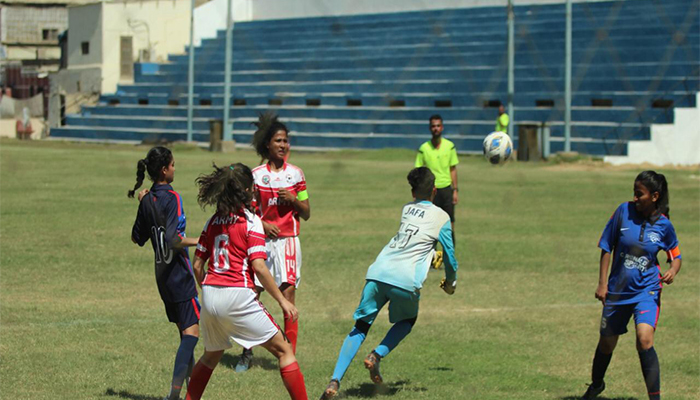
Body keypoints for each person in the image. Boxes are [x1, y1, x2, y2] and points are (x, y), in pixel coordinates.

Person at [319, 167, 458, 399]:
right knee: (407, 320)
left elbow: (412, 238)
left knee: (361, 326)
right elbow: (451, 258)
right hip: (404, 279)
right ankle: (376, 355)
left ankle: (334, 381)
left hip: (378, 271)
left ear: (413, 192)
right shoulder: (442, 217)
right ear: (434, 190)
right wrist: (450, 283)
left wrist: (430, 255)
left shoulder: (407, 209)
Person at [186, 163, 308, 400]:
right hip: (237, 295)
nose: (254, 191)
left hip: (210, 295)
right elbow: (259, 267)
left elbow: (197, 266)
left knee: (211, 356)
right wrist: (283, 301)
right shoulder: (251, 221)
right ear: (245, 190)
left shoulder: (212, 221)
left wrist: (210, 289)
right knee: (284, 350)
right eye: (251, 187)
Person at [582, 171, 682, 400]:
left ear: (655, 196)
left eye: (640, 194)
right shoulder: (622, 212)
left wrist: (672, 270)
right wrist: (602, 284)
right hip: (617, 291)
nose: (634, 198)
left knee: (644, 339)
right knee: (606, 344)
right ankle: (597, 385)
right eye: (634, 193)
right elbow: (607, 246)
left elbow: (676, 255)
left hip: (647, 290)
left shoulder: (664, 225)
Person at [235, 113, 311, 372]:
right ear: (268, 144)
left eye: (286, 141)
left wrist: (293, 199)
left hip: (289, 242)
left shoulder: (297, 175)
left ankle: (290, 355)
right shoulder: (256, 176)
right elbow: (247, 210)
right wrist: (262, 223)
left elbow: (307, 212)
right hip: (261, 243)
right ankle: (246, 352)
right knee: (251, 297)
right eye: (278, 141)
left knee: (288, 296)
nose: (283, 145)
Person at [129, 146, 200, 400]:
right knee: (192, 335)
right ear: (164, 169)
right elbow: (173, 239)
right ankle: (174, 395)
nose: (174, 168)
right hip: (180, 275)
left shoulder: (148, 199)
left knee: (184, 333)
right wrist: (200, 241)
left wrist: (144, 204)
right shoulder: (174, 197)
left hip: (162, 278)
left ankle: (191, 393)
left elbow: (137, 238)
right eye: (172, 164)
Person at [415, 114, 458, 267]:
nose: (436, 128)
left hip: (446, 189)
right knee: (431, 226)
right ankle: (431, 260)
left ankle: (449, 258)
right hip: (429, 193)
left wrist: (455, 190)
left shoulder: (449, 146)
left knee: (449, 224)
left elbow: (453, 169)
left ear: (442, 127)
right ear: (430, 128)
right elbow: (419, 171)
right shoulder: (423, 149)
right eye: (433, 126)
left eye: (438, 125)